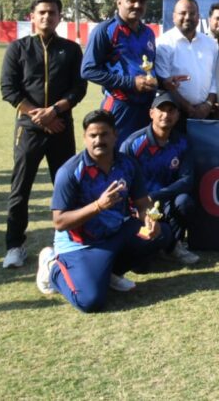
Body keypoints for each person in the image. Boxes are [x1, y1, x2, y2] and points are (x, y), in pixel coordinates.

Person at [35, 110, 172, 313]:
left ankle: (111, 272)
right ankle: (51, 267)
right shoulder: (70, 171)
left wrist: (150, 220)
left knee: (162, 234)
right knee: (89, 301)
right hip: (81, 245)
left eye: (104, 134)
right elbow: (60, 222)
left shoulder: (127, 164)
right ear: (85, 137)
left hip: (115, 233)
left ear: (115, 135)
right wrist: (98, 206)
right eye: (93, 135)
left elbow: (143, 203)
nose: (98, 140)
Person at [0, 0, 87, 268]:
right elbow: (9, 89)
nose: (47, 17)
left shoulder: (71, 49)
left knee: (67, 186)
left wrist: (55, 111)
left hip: (61, 127)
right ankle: (14, 246)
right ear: (33, 16)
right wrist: (41, 117)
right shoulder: (18, 48)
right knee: (20, 188)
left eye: (52, 12)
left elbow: (79, 88)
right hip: (29, 129)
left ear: (60, 17)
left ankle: (69, 240)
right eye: (42, 12)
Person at [120, 92, 198, 265]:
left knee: (184, 202)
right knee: (142, 264)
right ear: (151, 113)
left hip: (166, 200)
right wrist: (140, 202)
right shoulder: (133, 143)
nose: (166, 115)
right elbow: (122, 180)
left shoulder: (183, 142)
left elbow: (187, 179)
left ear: (177, 115)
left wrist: (157, 195)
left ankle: (173, 246)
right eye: (161, 110)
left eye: (171, 111)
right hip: (138, 205)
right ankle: (153, 246)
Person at [81, 0, 158, 144]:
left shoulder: (148, 32)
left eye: (142, 1)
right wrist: (130, 83)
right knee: (113, 153)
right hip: (119, 105)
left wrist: (162, 81)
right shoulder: (105, 30)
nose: (137, 5)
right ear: (119, 2)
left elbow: (151, 67)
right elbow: (88, 70)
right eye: (132, 0)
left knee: (141, 153)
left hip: (146, 107)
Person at [155, 0, 219, 124]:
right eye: (183, 13)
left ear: (198, 17)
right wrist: (187, 108)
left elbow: (215, 78)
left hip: (206, 113)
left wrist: (208, 104)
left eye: (192, 13)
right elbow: (165, 82)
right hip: (175, 113)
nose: (188, 17)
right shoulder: (163, 43)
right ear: (173, 16)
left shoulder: (210, 43)